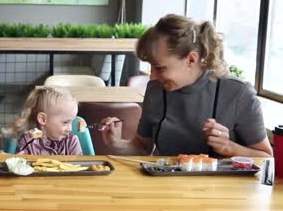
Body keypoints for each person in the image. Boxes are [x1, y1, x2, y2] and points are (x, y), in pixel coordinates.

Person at [101, 14, 272, 157]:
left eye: (160, 68)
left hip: (220, 195)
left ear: (191, 59)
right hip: (165, 189)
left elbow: (265, 156)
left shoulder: (238, 93)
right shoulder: (156, 90)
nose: (152, 76)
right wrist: (117, 143)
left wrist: (229, 147)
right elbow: (142, 147)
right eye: (150, 67)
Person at [0, 86, 82, 155]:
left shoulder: (71, 142)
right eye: (65, 122)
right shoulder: (27, 142)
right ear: (43, 119)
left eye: (71, 122)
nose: (70, 129)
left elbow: (79, 170)